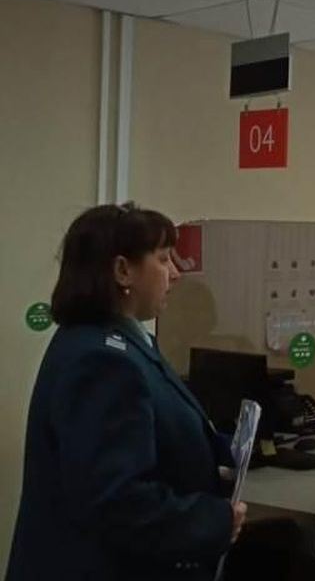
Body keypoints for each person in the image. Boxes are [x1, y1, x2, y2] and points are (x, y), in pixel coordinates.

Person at [7, 203, 246, 580]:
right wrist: (213, 521)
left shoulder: (122, 343)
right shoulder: (103, 361)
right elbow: (117, 501)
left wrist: (225, 450)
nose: (176, 274)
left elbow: (153, 434)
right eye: (163, 259)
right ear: (122, 271)